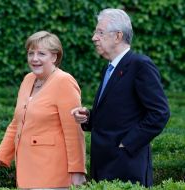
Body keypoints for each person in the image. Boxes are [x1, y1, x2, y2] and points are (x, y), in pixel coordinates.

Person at [71, 8, 170, 187]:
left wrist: (127, 144)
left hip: (126, 167)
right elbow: (118, 112)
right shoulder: (109, 68)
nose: (94, 37)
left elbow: (160, 113)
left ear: (118, 36)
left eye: (100, 32)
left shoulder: (140, 65)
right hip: (103, 164)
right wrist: (89, 116)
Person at [0, 31, 86, 190]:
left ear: (54, 57)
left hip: (53, 174)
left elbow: (74, 131)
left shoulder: (64, 81)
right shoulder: (27, 79)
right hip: (27, 172)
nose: (34, 58)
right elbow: (15, 125)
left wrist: (78, 171)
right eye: (31, 53)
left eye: (41, 53)